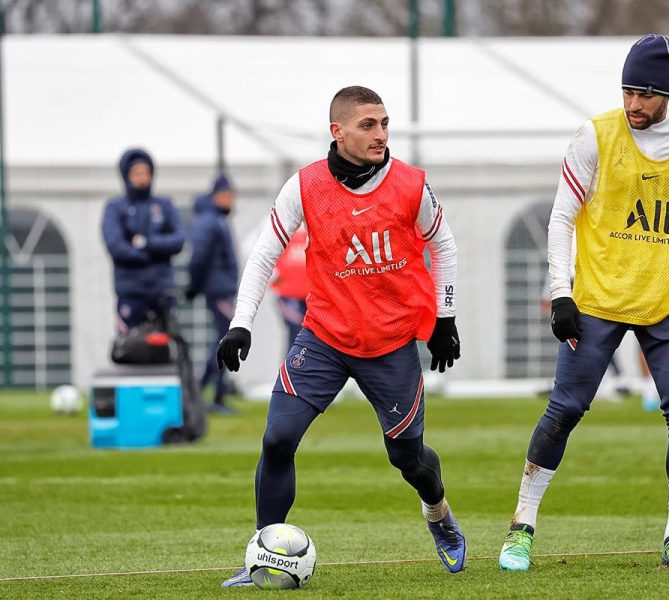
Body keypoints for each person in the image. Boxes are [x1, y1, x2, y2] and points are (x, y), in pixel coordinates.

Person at [497, 34, 669, 572]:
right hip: (598, 299)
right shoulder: (594, 136)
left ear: (668, 94)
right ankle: (521, 527)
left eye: (648, 94)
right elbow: (561, 217)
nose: (635, 104)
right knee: (565, 410)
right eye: (629, 90)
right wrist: (561, 292)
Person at [216, 86, 465, 586]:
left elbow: (443, 242)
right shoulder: (303, 186)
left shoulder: (412, 185)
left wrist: (445, 317)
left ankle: (438, 513)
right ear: (338, 131)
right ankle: (264, 554)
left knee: (408, 458)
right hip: (324, 337)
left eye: (384, 124)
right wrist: (241, 323)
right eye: (368, 125)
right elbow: (265, 253)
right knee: (278, 437)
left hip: (390, 343)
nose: (381, 134)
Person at [102, 148, 185, 332]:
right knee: (129, 347)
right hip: (130, 292)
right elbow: (115, 245)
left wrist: (146, 244)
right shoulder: (115, 208)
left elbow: (178, 240)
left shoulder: (164, 205)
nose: (142, 178)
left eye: (145, 172)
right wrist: (149, 256)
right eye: (136, 173)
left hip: (162, 291)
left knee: (168, 346)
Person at [186, 173, 239, 414]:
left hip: (220, 288)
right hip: (217, 289)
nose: (231, 199)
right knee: (225, 340)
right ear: (217, 195)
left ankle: (200, 391)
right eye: (228, 194)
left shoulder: (215, 219)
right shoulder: (210, 221)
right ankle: (213, 395)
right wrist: (194, 286)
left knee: (222, 339)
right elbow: (198, 258)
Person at [271, 229, 310, 352]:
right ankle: (289, 369)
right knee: (297, 335)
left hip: (310, 297)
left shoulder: (313, 236)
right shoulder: (285, 237)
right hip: (289, 297)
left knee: (308, 338)